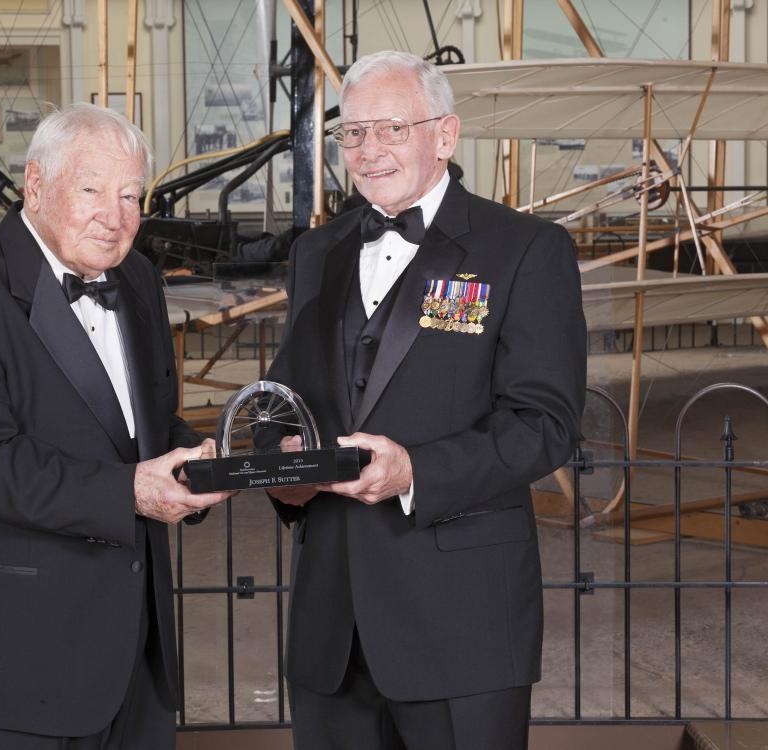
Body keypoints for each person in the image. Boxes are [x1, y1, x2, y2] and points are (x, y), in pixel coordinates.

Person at [266, 51, 586, 749]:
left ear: (445, 135)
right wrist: (280, 471)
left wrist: (415, 472)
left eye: (390, 129)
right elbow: (284, 399)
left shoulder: (526, 250)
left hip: (462, 624)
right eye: (352, 133)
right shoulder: (316, 252)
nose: (368, 151)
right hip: (332, 630)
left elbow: (547, 424)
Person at [0, 104, 230, 750]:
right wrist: (131, 490)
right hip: (13, 660)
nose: (116, 216)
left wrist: (210, 459)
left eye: (132, 195)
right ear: (36, 185)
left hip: (136, 657)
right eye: (92, 191)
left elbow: (143, 426)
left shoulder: (137, 279)